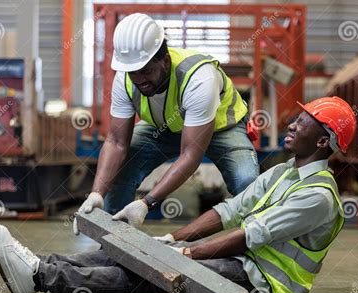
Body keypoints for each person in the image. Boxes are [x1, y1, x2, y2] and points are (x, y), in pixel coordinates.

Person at [0, 97, 356, 293]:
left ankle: (41, 277)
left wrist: (187, 256)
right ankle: (39, 262)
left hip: (264, 280)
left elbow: (250, 234)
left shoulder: (318, 197)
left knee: (151, 273)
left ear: (323, 141)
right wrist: (175, 241)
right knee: (137, 250)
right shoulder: (283, 172)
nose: (292, 123)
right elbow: (230, 211)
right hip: (243, 259)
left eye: (304, 121)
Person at [74, 12, 258, 232]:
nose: (139, 79)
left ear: (165, 61)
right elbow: (115, 142)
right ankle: (113, 242)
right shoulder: (125, 79)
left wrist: (146, 203)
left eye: (146, 71)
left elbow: (190, 155)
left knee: (248, 183)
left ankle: (251, 248)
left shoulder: (199, 78)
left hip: (222, 128)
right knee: (121, 170)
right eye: (133, 73)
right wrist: (96, 194)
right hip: (165, 127)